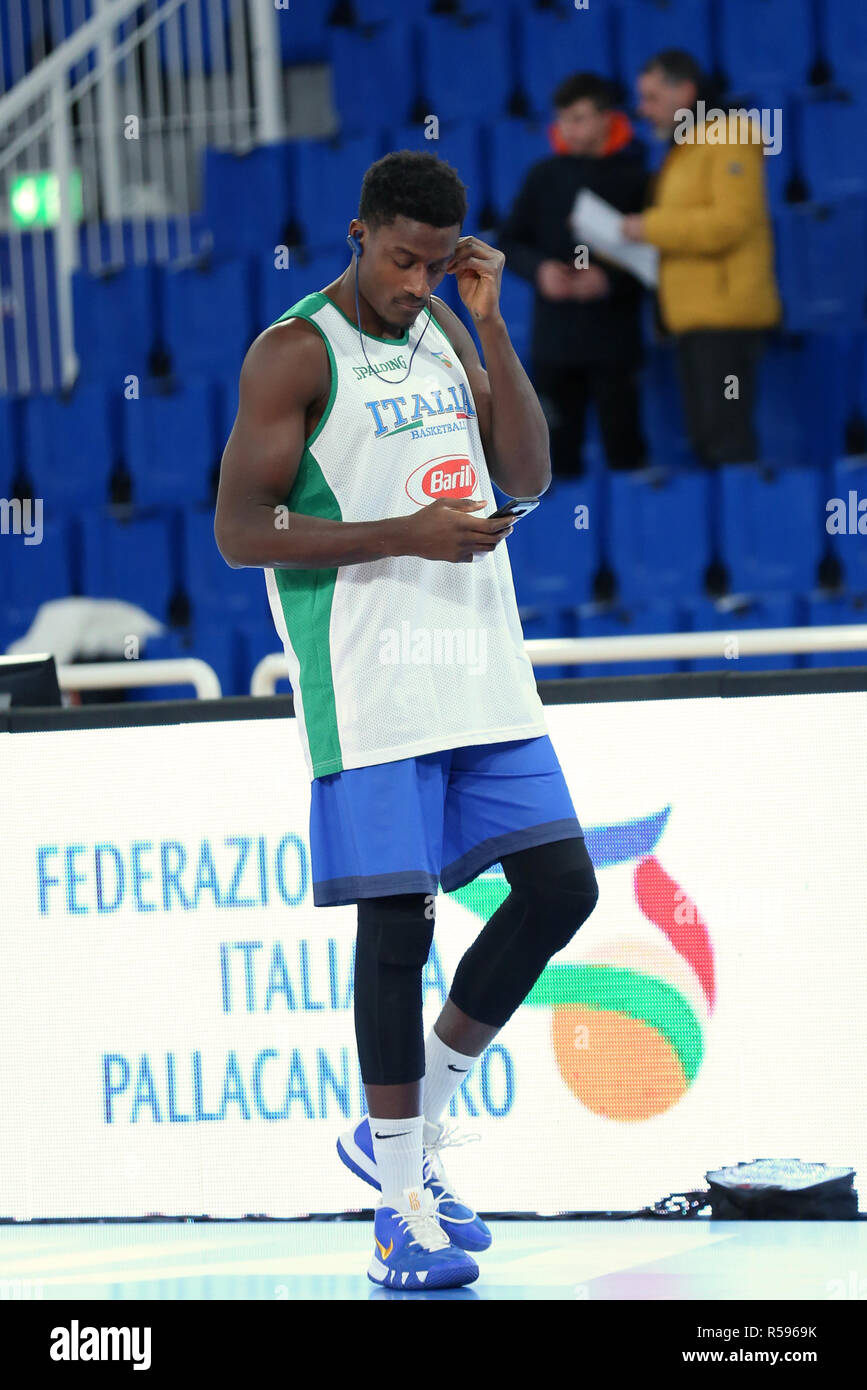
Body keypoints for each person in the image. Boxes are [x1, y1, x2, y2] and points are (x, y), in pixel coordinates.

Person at [214, 150, 599, 1292]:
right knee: (397, 929)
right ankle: (396, 1204)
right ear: (357, 234)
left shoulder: (445, 323)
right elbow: (243, 531)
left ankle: (412, 1120)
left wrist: (492, 327)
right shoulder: (293, 351)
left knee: (563, 887)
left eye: (438, 264)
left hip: (480, 670)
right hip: (370, 682)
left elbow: (525, 477)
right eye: (400, 260)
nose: (416, 281)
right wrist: (402, 534)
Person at [622, 49, 781, 466]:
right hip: (693, 318)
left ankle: (746, 530)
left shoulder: (730, 134)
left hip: (726, 318)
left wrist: (649, 227)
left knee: (727, 442)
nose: (643, 110)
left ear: (685, 91)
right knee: (707, 444)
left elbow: (731, 223)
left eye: (652, 97)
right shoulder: (685, 147)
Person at [497, 72, 649, 476]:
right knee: (556, 461)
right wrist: (541, 270)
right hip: (555, 344)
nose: (568, 128)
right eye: (564, 118)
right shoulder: (543, 176)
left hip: (615, 340)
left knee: (626, 453)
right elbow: (509, 242)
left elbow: (658, 255)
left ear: (606, 118)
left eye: (579, 118)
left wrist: (609, 281)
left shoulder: (637, 176)